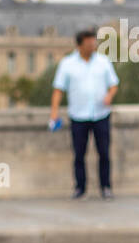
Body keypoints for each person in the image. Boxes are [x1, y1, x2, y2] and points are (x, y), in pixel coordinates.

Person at [49, 28, 120, 200]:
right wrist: (54, 113)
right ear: (79, 45)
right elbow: (58, 90)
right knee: (79, 154)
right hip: (78, 115)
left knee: (104, 152)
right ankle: (80, 187)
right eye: (89, 43)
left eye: (94, 42)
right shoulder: (67, 64)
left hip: (101, 114)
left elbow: (114, 84)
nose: (92, 46)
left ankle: (106, 186)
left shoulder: (103, 61)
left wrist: (109, 96)